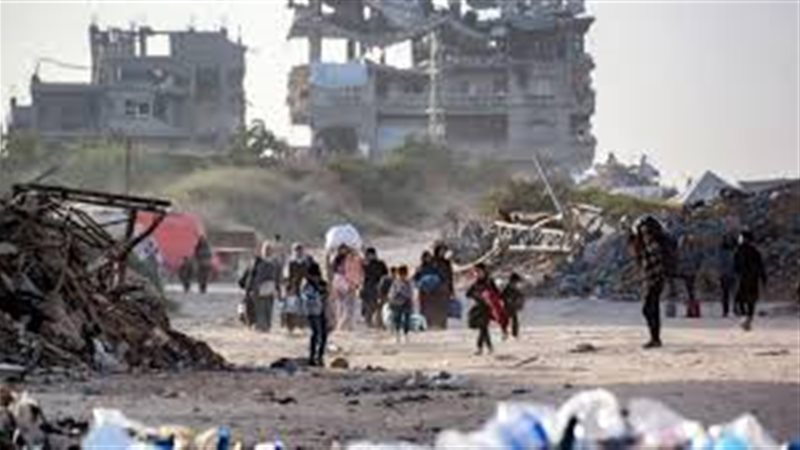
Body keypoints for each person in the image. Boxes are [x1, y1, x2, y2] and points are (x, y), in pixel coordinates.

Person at [632, 216, 668, 349]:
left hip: (654, 280)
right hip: (654, 279)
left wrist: (653, 278)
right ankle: (655, 338)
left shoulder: (652, 245)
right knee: (652, 309)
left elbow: (655, 264)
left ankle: (655, 338)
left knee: (648, 309)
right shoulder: (652, 243)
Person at [243, 241, 282, 332]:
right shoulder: (257, 262)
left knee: (268, 308)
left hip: (270, 289)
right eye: (265, 249)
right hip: (258, 289)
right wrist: (250, 289)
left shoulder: (275, 263)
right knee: (260, 308)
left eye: (269, 249)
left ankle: (267, 327)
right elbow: (251, 276)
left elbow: (277, 277)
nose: (267, 251)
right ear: (262, 250)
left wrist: (278, 290)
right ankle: (260, 327)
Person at [734, 231, 767, 331]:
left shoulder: (741, 251)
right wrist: (763, 277)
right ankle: (747, 319)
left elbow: (736, 265)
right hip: (752, 278)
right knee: (749, 301)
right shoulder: (754, 251)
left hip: (745, 278)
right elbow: (760, 266)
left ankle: (746, 319)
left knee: (742, 300)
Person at [466, 263, 502, 355]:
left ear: (484, 271)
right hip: (479, 307)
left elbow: (497, 293)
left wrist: (489, 296)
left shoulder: (489, 282)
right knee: (483, 328)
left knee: (483, 327)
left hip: (488, 307)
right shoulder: (476, 283)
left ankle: (481, 347)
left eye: (479, 271)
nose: (478, 274)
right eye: (476, 272)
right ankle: (488, 347)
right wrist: (477, 295)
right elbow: (468, 294)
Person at [301, 261, 328, 366]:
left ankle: (320, 356)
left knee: (323, 334)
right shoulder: (307, 286)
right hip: (312, 312)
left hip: (321, 310)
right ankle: (312, 357)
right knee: (316, 334)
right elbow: (308, 298)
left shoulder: (321, 283)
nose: (316, 278)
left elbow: (326, 295)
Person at [284, 243, 313, 333]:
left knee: (303, 308)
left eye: (300, 250)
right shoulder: (290, 262)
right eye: (297, 250)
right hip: (292, 287)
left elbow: (309, 274)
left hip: (303, 287)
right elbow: (287, 276)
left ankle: (302, 326)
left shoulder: (306, 262)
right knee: (291, 308)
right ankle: (290, 327)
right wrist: (290, 286)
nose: (299, 252)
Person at [427, 243, 454, 329]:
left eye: (444, 251)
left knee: (443, 307)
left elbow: (450, 276)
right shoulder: (432, 262)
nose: (442, 252)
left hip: (444, 288)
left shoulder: (447, 262)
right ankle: (433, 324)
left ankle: (442, 325)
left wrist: (451, 289)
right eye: (441, 250)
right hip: (434, 289)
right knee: (434, 307)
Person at [361, 247, 389, 328]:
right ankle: (369, 323)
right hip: (368, 287)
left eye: (372, 254)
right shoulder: (364, 265)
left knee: (379, 306)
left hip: (379, 286)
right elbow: (361, 277)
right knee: (370, 306)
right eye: (369, 255)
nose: (371, 256)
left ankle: (379, 323)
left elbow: (385, 274)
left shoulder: (380, 263)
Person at [388, 265, 414, 342]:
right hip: (397, 303)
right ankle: (398, 335)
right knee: (397, 319)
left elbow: (410, 293)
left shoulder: (408, 282)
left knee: (407, 320)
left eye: (404, 274)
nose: (402, 276)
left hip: (406, 303)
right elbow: (391, 293)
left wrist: (402, 293)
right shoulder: (396, 282)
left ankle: (406, 335)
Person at [717, 234, 738, 317]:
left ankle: (736, 309)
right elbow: (720, 262)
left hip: (734, 274)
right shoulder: (722, 251)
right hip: (725, 274)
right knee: (725, 293)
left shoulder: (735, 250)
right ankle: (725, 310)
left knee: (736, 292)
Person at [501, 272, 525, 339]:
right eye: (515, 282)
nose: (516, 284)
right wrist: (507, 300)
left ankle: (515, 334)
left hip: (513, 307)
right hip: (507, 307)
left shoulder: (516, 289)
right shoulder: (507, 289)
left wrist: (520, 303)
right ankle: (505, 333)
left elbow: (521, 297)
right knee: (505, 321)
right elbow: (502, 296)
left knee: (515, 321)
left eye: (516, 283)